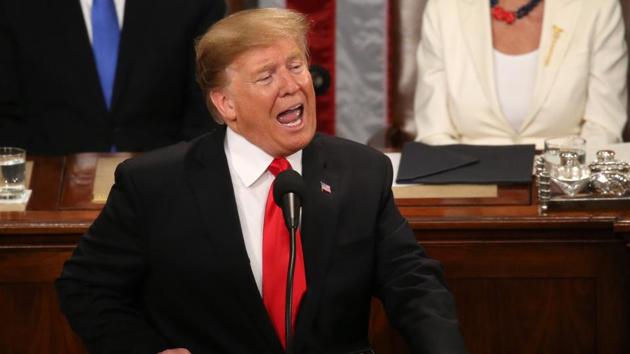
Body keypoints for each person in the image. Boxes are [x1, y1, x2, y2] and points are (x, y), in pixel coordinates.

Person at [56, 8, 468, 354]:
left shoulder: (363, 171)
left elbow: (413, 286)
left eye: (296, 66)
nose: (292, 85)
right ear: (225, 103)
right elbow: (85, 287)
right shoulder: (155, 185)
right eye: (267, 76)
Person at [0, 0, 226, 154]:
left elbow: (205, 105)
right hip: (46, 183)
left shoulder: (195, 5)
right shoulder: (13, 8)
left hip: (167, 183)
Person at [414, 0, 628, 148]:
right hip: (467, 188)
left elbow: (603, 127)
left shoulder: (597, 6)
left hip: (565, 184)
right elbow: (434, 132)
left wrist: (566, 180)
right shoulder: (444, 7)